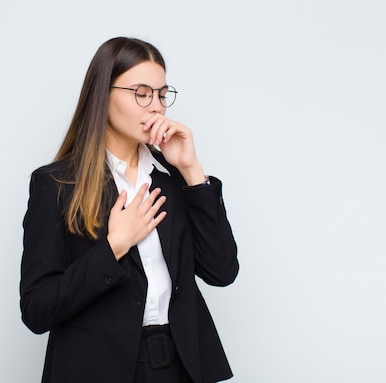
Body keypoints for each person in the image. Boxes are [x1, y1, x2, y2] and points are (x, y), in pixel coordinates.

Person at [20, 37, 239, 383]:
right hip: (97, 368)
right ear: (103, 94)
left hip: (180, 363)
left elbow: (222, 271)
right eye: (141, 93)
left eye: (161, 94)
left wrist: (192, 171)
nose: (155, 106)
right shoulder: (57, 185)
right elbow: (37, 309)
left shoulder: (171, 180)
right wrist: (113, 248)